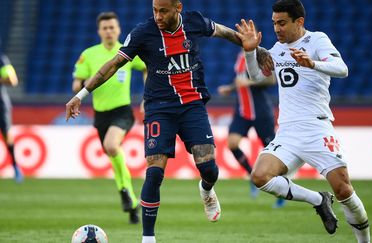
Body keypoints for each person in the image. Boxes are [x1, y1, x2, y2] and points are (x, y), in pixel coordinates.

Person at [65, 1, 256, 242]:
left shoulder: (194, 21)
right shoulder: (142, 33)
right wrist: (80, 95)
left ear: (178, 7)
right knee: (154, 173)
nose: (157, 16)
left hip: (192, 105)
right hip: (159, 109)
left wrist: (254, 49)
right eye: (154, 10)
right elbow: (113, 65)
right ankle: (148, 237)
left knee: (208, 168)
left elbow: (224, 32)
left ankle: (206, 189)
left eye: (163, 11)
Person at [235, 0, 370, 242]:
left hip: (316, 127)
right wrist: (249, 50)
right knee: (260, 176)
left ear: (299, 22)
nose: (277, 29)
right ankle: (318, 200)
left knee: (343, 189)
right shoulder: (276, 49)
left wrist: (313, 63)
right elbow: (256, 77)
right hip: (287, 131)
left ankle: (364, 241)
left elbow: (342, 68)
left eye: (282, 23)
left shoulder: (317, 40)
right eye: (274, 23)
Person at [72, 12, 147, 224]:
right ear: (99, 31)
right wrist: (88, 80)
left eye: (112, 27)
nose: (108, 31)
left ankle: (127, 194)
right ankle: (129, 197)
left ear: (118, 29)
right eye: (104, 28)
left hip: (122, 111)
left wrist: (147, 95)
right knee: (114, 157)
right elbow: (76, 85)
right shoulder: (89, 54)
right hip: (101, 114)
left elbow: (146, 69)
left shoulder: (127, 51)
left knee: (112, 146)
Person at [218, 51, 285, 208]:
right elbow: (240, 80)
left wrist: (250, 83)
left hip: (261, 112)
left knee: (273, 153)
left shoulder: (259, 55)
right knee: (232, 143)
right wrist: (230, 88)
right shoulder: (240, 56)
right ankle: (251, 175)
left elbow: (271, 79)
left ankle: (282, 191)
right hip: (242, 111)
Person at [0, 50, 23, 183]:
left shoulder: (2, 60)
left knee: (7, 135)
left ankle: (15, 167)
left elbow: (12, 80)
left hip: (1, 104)